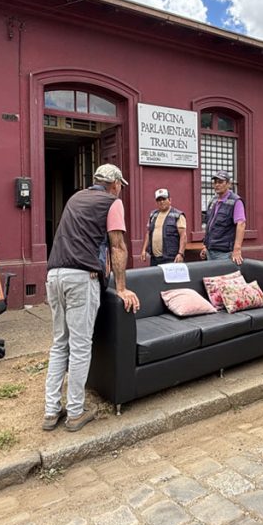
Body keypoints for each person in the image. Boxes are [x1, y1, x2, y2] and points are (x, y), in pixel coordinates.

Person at [43, 164, 139, 433]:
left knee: (60, 343)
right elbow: (118, 246)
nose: (120, 190)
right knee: (81, 345)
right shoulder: (112, 202)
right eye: (120, 186)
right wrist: (121, 288)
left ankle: (51, 411)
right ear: (116, 184)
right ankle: (75, 412)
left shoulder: (76, 197)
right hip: (81, 277)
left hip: (54, 274)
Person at [200, 171, 245, 265]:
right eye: (215, 182)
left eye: (220, 182)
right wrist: (205, 246)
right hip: (210, 251)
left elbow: (241, 225)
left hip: (224, 253)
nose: (217, 185)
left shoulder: (236, 201)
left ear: (229, 184)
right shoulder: (213, 200)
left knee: (222, 278)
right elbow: (210, 225)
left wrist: (237, 249)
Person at [140, 188, 186, 266]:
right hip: (155, 258)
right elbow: (148, 233)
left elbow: (183, 236)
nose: (161, 202)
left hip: (171, 258)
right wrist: (144, 250)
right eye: (159, 200)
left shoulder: (178, 215)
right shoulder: (153, 215)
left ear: (169, 200)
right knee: (156, 278)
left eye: (164, 199)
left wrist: (180, 253)